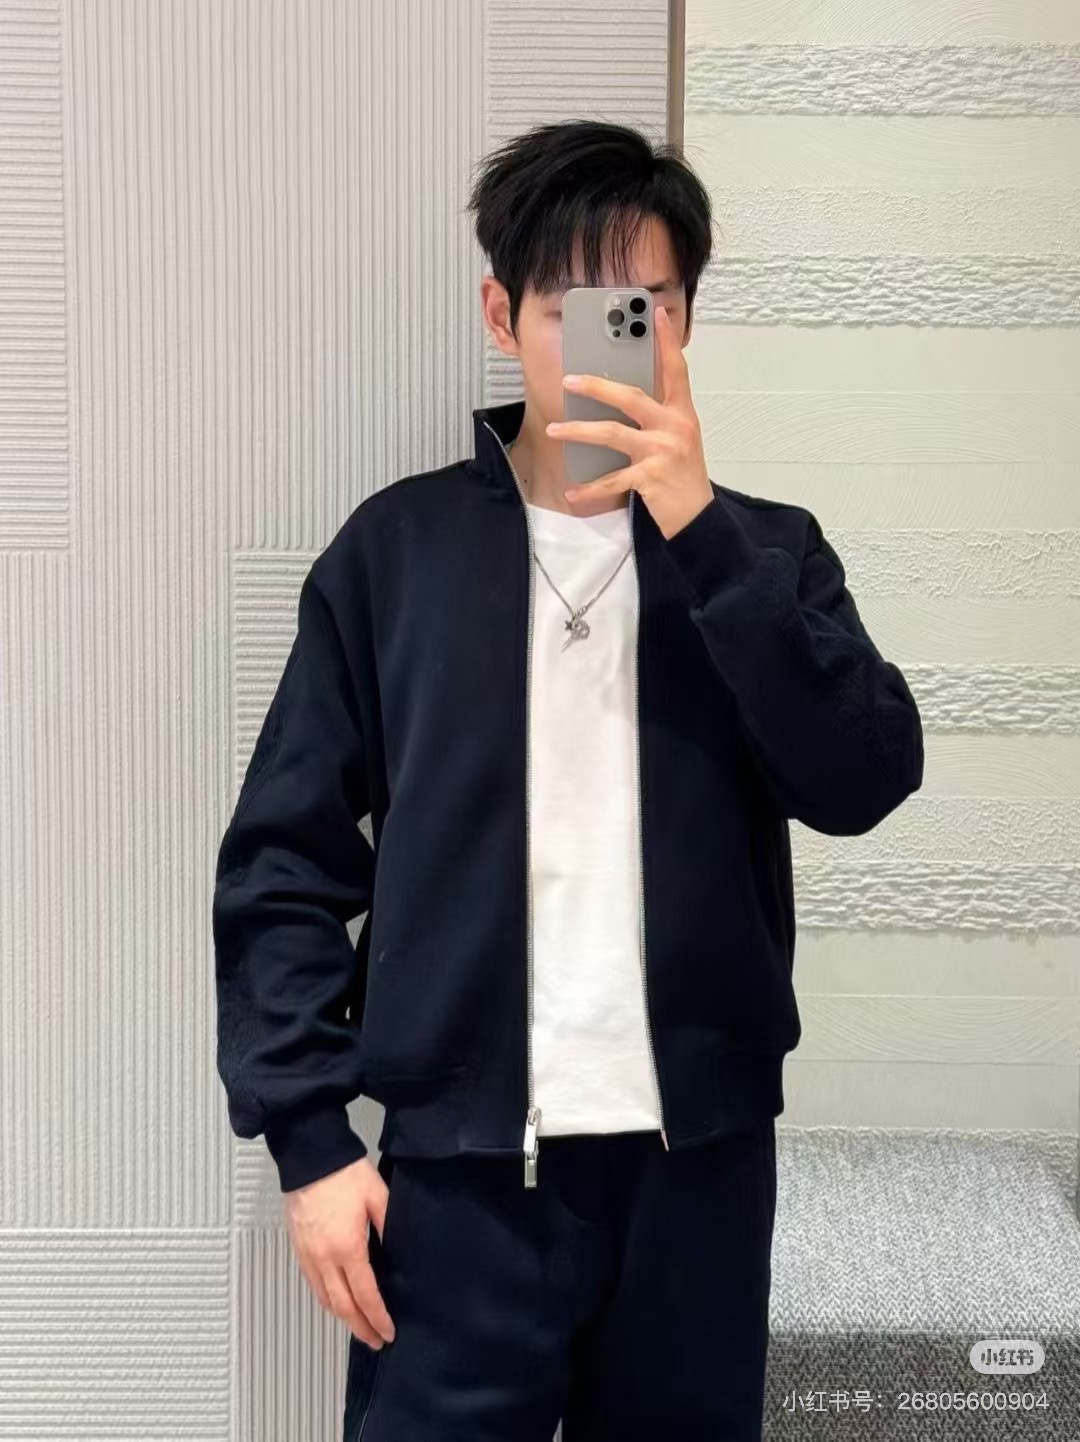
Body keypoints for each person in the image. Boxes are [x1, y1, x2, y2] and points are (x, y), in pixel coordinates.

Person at [212, 119, 924, 1441]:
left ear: (685, 322)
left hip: (699, 1182)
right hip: (459, 1186)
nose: (606, 341)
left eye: (641, 309)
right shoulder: (397, 557)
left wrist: (703, 535)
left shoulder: (766, 555)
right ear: (504, 315)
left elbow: (865, 776)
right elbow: (281, 863)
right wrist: (308, 1142)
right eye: (570, 307)